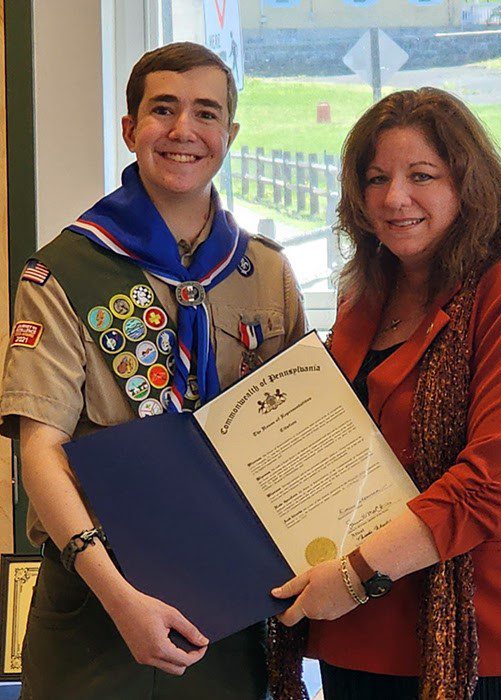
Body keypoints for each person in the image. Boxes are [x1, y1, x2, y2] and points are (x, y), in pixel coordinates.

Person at [0, 42, 305, 699]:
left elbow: (295, 436)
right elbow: (41, 448)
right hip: (97, 606)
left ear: (230, 133)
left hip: (233, 601)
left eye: (206, 113)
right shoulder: (63, 271)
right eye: (162, 109)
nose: (183, 131)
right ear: (129, 128)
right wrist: (116, 595)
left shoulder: (267, 274)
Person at [271, 87, 501, 699]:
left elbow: (499, 482)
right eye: (375, 179)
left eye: (421, 175)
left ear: (468, 181)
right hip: (356, 633)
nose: (394, 198)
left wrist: (354, 575)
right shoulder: (363, 294)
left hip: (486, 642)